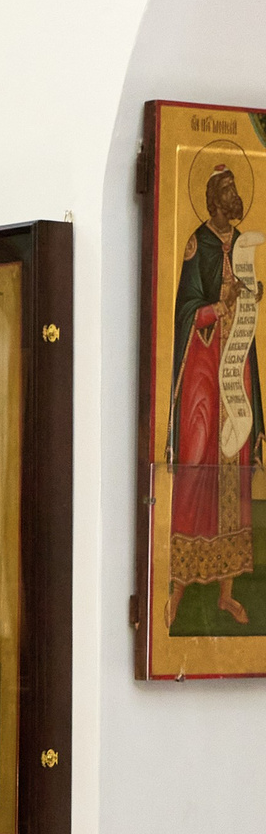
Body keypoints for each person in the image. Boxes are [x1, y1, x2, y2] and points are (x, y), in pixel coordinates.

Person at [167, 161, 260, 628]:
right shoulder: (197, 244)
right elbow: (184, 309)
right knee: (198, 457)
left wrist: (247, 297)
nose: (233, 196)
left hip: (235, 366)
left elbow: (246, 298)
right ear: (212, 199)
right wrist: (212, 309)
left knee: (234, 467)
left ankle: (226, 593)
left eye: (235, 189)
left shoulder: (241, 242)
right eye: (226, 190)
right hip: (203, 368)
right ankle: (177, 588)